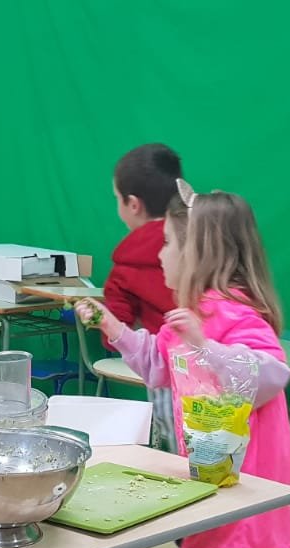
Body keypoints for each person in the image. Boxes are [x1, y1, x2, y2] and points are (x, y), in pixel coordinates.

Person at [76, 179, 290, 548]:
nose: (159, 255)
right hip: (215, 467)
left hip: (240, 473)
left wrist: (204, 346)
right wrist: (112, 327)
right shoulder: (192, 314)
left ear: (197, 255)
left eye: (168, 244)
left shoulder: (233, 314)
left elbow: (271, 375)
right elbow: (158, 366)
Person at [103, 143, 182, 450]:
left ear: (133, 204)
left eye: (117, 199)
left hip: (165, 370)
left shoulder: (126, 262)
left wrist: (100, 318)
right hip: (214, 370)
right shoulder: (205, 241)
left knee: (177, 455)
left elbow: (115, 331)